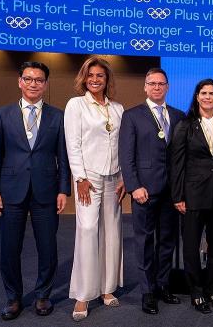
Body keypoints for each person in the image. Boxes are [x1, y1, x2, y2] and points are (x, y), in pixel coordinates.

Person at [0, 61, 71, 320]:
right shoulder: (3, 114)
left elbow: (63, 157)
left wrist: (63, 190)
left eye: (39, 80)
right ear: (20, 81)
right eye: (28, 79)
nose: (34, 83)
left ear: (45, 84)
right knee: (10, 248)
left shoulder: (58, 116)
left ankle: (42, 295)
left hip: (46, 191)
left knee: (48, 247)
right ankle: (13, 298)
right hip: (10, 191)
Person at [119, 68, 185, 314]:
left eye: (161, 84)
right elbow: (126, 156)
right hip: (144, 190)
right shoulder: (132, 116)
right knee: (145, 241)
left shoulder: (179, 116)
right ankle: (148, 291)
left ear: (167, 87)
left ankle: (163, 285)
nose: (157, 88)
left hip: (172, 191)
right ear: (145, 87)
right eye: (152, 84)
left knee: (167, 241)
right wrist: (134, 186)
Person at [64, 56, 126, 321]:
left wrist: (124, 176)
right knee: (88, 231)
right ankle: (82, 295)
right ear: (84, 78)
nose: (95, 80)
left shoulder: (118, 108)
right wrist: (80, 178)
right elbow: (72, 144)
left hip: (114, 178)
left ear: (107, 78)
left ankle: (107, 288)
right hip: (88, 179)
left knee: (111, 233)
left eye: (100, 75)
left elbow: (123, 146)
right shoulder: (76, 105)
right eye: (90, 75)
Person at [170, 79, 213, 314]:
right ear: (197, 97)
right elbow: (177, 165)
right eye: (203, 93)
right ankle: (196, 292)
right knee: (192, 247)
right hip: (192, 196)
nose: (208, 97)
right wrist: (178, 196)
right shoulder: (185, 126)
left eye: (212, 93)